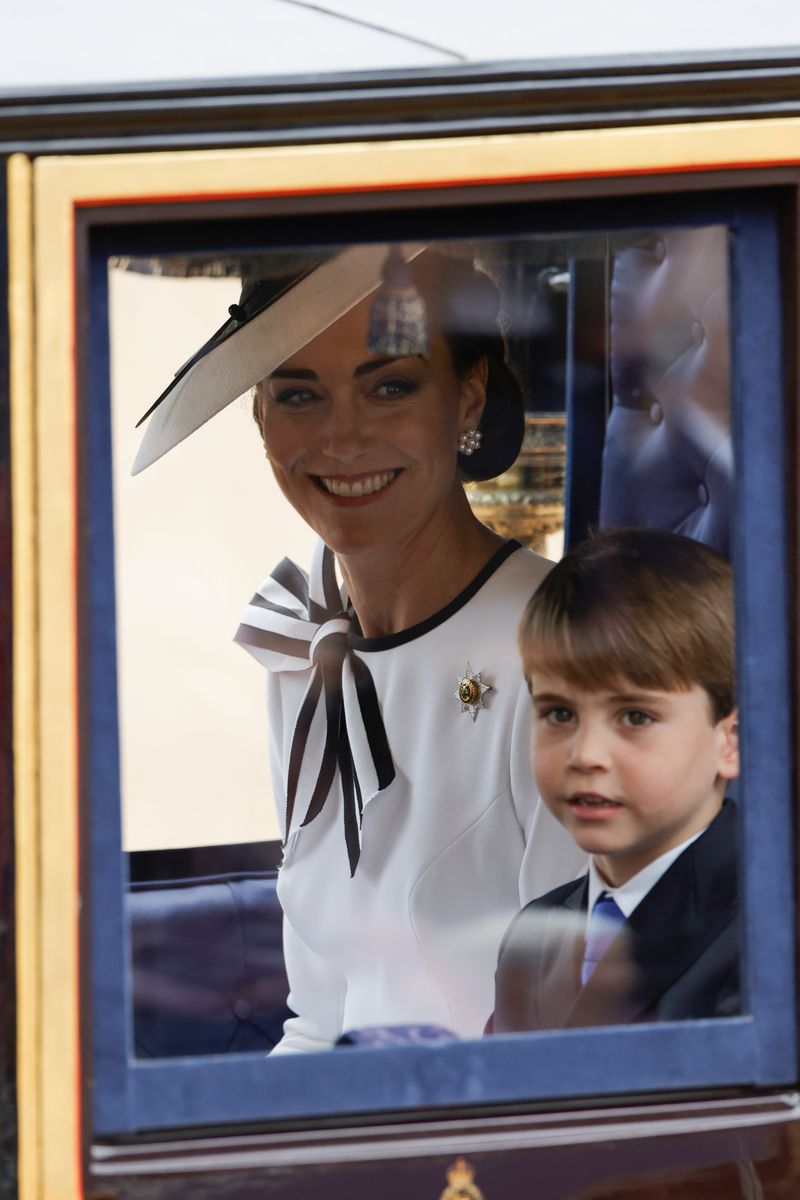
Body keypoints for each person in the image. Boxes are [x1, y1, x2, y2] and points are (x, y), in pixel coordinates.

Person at [136, 242, 585, 1052]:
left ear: (468, 399)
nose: (341, 440)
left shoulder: (561, 649)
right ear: (260, 417)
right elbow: (319, 1019)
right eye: (299, 394)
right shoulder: (301, 645)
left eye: (390, 387)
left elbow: (566, 1044)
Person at [489, 527, 740, 1034]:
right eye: (559, 714)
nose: (586, 755)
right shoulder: (532, 934)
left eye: (635, 718)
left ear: (730, 741)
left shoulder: (770, 927)